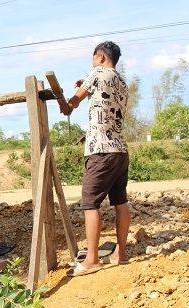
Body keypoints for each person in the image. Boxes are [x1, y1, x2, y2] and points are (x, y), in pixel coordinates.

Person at [64, 41, 131, 277]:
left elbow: (72, 103)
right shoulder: (121, 82)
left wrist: (68, 103)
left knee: (90, 203)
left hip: (100, 150)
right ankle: (120, 253)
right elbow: (105, 96)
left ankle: (92, 259)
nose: (92, 63)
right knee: (120, 201)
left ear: (101, 57)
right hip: (120, 150)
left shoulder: (97, 72)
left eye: (93, 59)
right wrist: (87, 85)